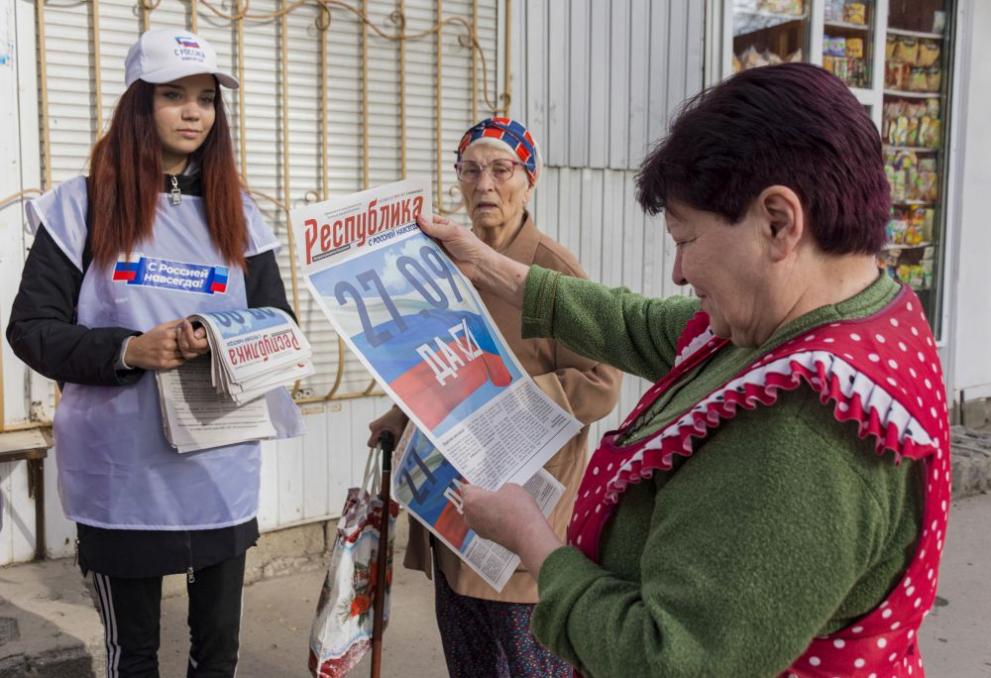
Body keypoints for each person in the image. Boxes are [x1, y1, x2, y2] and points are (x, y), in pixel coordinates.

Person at [417, 64, 950, 678]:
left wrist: (533, 540)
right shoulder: (835, 312)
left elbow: (667, 659)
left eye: (685, 240)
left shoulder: (802, 434)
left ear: (778, 223)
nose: (677, 273)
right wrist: (488, 264)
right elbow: (637, 324)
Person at [6, 28, 301, 677]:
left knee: (215, 652)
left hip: (220, 467)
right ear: (140, 104)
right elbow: (31, 328)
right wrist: (131, 350)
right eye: (174, 95)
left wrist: (220, 338)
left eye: (205, 98)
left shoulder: (240, 215)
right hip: (123, 475)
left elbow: (279, 321)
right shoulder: (80, 208)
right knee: (133, 655)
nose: (194, 112)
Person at [368, 117, 621, 677]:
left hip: (525, 506)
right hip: (451, 504)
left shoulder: (554, 271)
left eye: (501, 169)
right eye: (471, 170)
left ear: (529, 180)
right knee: (469, 663)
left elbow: (600, 383)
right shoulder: (441, 263)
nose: (485, 185)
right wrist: (397, 415)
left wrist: (507, 404)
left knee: (530, 665)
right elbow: (436, 369)